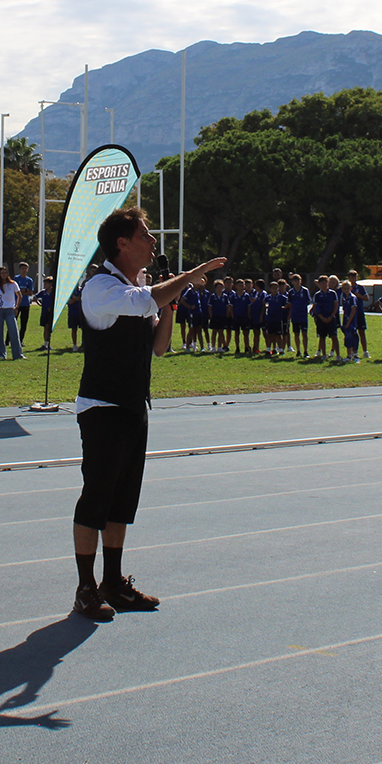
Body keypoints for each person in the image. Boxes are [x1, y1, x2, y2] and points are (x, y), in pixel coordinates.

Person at [68, 206, 226, 623]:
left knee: (122, 502)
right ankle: (86, 588)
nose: (153, 242)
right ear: (122, 243)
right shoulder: (100, 285)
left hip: (133, 404)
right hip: (102, 406)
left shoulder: (138, 284)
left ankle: (113, 582)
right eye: (145, 234)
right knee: (96, 498)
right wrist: (186, 278)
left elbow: (158, 346)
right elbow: (144, 303)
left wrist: (174, 302)